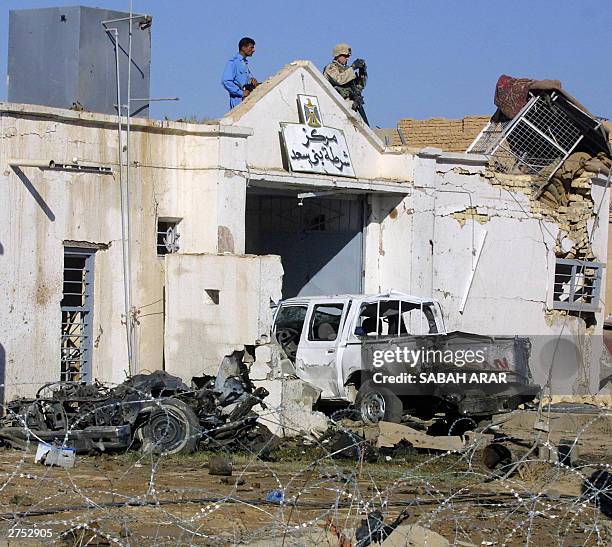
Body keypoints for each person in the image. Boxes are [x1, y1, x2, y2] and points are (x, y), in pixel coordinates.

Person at [323, 43, 368, 124]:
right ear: (337, 55)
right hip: (336, 105)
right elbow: (339, 80)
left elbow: (359, 87)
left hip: (351, 106)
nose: (347, 58)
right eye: (345, 56)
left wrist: (362, 72)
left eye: (348, 56)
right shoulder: (331, 68)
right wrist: (353, 67)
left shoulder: (348, 70)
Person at [221, 37, 259, 109]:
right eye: (251, 47)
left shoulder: (244, 63)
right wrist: (241, 93)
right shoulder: (233, 62)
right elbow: (226, 81)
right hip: (238, 102)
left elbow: (242, 81)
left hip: (247, 101)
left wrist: (251, 81)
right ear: (243, 47)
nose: (253, 50)